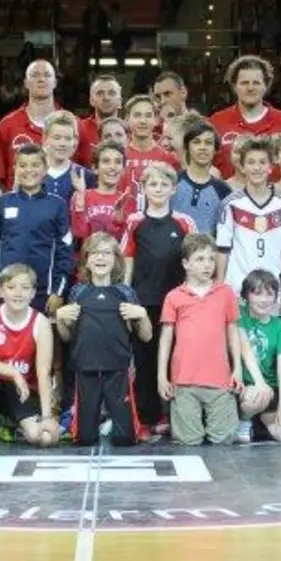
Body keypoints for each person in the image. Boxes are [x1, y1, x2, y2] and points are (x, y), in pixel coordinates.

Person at [123, 163, 198, 438]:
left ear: (173, 189)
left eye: (164, 185)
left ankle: (172, 414)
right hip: (144, 303)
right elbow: (128, 257)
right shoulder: (135, 221)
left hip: (177, 302)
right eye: (152, 185)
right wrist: (127, 294)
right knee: (144, 361)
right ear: (143, 188)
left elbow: (195, 258)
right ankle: (145, 417)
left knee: (175, 359)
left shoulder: (184, 222)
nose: (158, 189)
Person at [55, 233, 151, 447]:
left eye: (107, 253)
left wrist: (142, 315)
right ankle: (98, 422)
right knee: (85, 439)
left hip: (118, 370)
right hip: (85, 368)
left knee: (126, 438)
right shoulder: (77, 292)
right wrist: (61, 319)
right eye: (95, 253)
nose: (101, 258)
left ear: (116, 259)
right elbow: (67, 336)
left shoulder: (125, 292)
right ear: (86, 260)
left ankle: (110, 421)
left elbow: (146, 335)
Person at [157, 234, 245, 446]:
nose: (207, 265)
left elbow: (232, 331)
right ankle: (178, 420)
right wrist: (162, 375)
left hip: (219, 379)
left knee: (224, 438)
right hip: (185, 380)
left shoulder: (225, 293)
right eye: (200, 259)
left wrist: (237, 368)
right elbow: (166, 338)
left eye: (211, 259)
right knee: (189, 440)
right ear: (186, 264)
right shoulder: (174, 296)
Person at [0, 263, 59, 447]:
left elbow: (43, 371)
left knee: (43, 438)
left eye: (25, 288)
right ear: (0, 291)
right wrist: (13, 373)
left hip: (22, 392)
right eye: (11, 287)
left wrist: (47, 416)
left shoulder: (41, 323)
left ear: (33, 293)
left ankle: (11, 423)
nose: (18, 293)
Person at [0, 145, 73, 316]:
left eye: (35, 165)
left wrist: (59, 292)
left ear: (45, 169)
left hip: (43, 293)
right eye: (23, 165)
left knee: (41, 340)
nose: (28, 170)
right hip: (7, 291)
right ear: (15, 169)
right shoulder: (3, 202)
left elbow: (65, 251)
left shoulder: (57, 205)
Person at [215, 136, 281, 313]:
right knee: (238, 339)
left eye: (262, 162)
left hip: (271, 292)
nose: (257, 167)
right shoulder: (230, 204)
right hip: (236, 290)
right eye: (251, 162)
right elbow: (223, 250)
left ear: (271, 166)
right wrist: (219, 288)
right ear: (242, 166)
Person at [207, 55, 281, 178]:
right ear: (234, 86)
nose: (250, 88)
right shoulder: (216, 121)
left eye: (256, 83)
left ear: (266, 86)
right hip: (228, 195)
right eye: (244, 83)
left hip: (275, 195)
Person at [236, 268, 281, 444]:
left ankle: (260, 423)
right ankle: (244, 421)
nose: (263, 300)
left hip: (272, 388)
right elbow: (245, 352)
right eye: (257, 294)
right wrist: (259, 383)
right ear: (247, 296)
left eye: (269, 294)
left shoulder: (280, 325)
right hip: (248, 387)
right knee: (258, 396)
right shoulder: (239, 318)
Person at [0, 59, 61, 188]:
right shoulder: (7, 125)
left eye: (47, 75)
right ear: (26, 83)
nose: (41, 79)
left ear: (55, 82)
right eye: (35, 75)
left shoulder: (73, 125)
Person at [70, 140, 137, 246]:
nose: (112, 167)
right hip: (87, 260)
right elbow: (79, 233)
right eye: (106, 161)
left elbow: (127, 242)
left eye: (118, 162)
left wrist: (118, 221)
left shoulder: (128, 200)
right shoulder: (82, 196)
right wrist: (80, 197)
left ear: (123, 169)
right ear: (95, 168)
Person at [173, 120, 232, 234]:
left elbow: (226, 231)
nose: (202, 147)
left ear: (215, 149)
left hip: (208, 250)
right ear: (187, 147)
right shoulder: (172, 182)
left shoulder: (223, 190)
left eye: (208, 142)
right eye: (197, 142)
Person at [121, 93, 180, 187]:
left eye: (148, 115)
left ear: (156, 120)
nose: (143, 121)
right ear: (127, 119)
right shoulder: (119, 157)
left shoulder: (170, 159)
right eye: (137, 115)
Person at [39, 111, 95, 208]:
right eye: (57, 138)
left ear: (75, 141)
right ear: (45, 139)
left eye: (68, 138)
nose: (62, 144)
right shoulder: (33, 172)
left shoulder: (86, 176)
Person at [74, 72, 125, 165]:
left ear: (120, 101)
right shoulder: (79, 128)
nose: (106, 98)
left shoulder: (130, 130)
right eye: (100, 93)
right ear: (91, 100)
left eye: (112, 93)